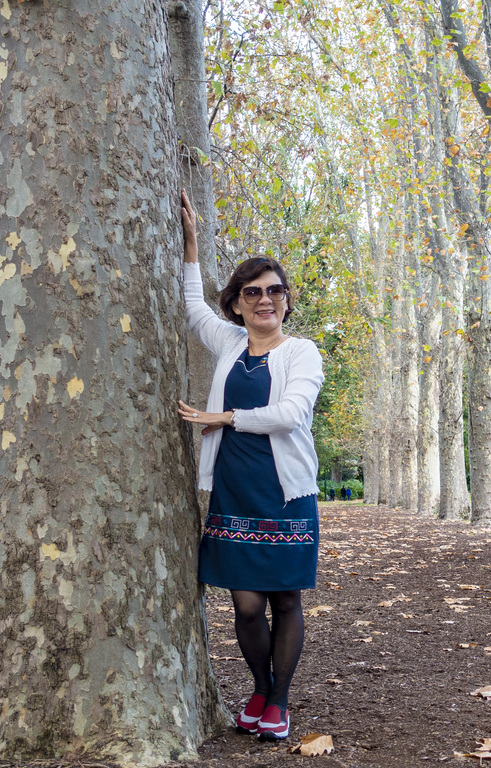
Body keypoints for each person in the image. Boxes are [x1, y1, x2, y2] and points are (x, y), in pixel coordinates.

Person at [177, 190, 325, 741]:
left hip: (286, 494)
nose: (266, 299)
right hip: (234, 491)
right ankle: (260, 688)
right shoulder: (230, 343)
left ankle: (279, 702)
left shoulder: (301, 352)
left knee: (284, 599)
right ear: (238, 304)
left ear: (286, 301)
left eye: (275, 290)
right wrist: (192, 245)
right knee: (244, 605)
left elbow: (291, 414)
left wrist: (225, 417)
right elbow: (193, 307)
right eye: (253, 292)